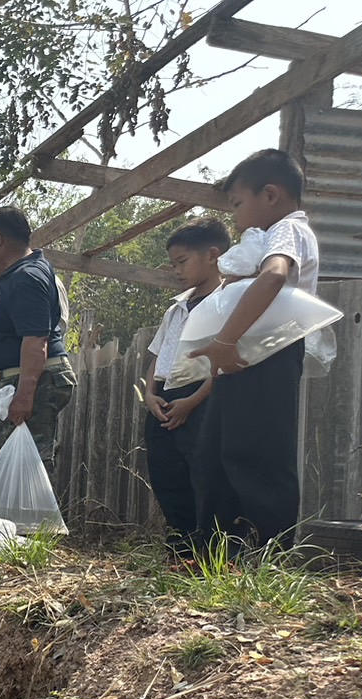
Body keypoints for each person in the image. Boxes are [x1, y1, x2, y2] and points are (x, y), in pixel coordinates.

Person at [189, 149, 319, 550]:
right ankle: (216, 554)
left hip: (268, 356)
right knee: (215, 456)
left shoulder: (288, 229)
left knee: (258, 457)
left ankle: (269, 555)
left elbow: (274, 276)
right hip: (244, 359)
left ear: (271, 195)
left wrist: (225, 339)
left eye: (238, 204)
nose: (236, 216)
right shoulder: (267, 235)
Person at [143, 217, 230, 557]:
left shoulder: (228, 302)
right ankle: (181, 547)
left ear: (212, 255)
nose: (177, 271)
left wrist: (193, 402)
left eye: (183, 262)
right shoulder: (175, 308)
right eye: (173, 264)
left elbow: (226, 363)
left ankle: (214, 550)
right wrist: (150, 394)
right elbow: (157, 354)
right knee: (166, 474)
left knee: (206, 474)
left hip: (203, 396)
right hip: (164, 397)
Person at [0, 206, 76, 471]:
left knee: (25, 466)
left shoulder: (27, 278)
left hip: (27, 382)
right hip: (14, 381)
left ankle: (33, 515)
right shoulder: (21, 273)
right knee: (10, 464)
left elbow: (35, 340)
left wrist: (25, 395)